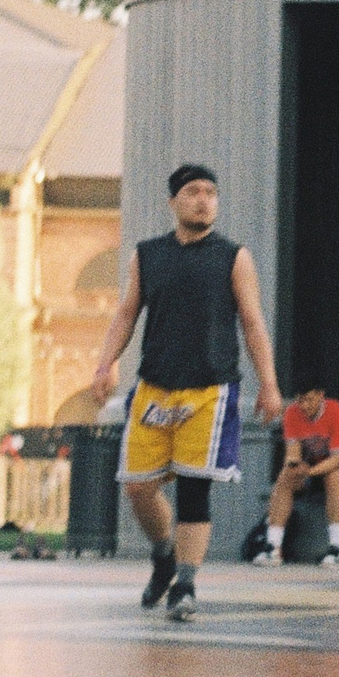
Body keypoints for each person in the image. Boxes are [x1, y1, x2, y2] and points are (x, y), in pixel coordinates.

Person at [89, 162, 284, 622]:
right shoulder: (148, 255)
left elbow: (253, 323)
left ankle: (187, 583)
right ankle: (164, 553)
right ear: (174, 201)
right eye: (194, 192)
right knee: (138, 488)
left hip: (209, 389)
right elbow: (125, 314)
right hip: (155, 386)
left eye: (211, 192)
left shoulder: (234, 256)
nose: (204, 200)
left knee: (195, 491)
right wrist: (104, 363)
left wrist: (269, 384)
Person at [263, 385, 339, 567]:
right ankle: (273, 547)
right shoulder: (293, 412)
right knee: (286, 474)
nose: (304, 405)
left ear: (320, 395)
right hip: (312, 468)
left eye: (309, 399)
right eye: (300, 400)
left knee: (332, 475)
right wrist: (294, 466)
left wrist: (308, 472)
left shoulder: (337, 410)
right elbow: (292, 453)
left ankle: (337, 549)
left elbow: (337, 459)